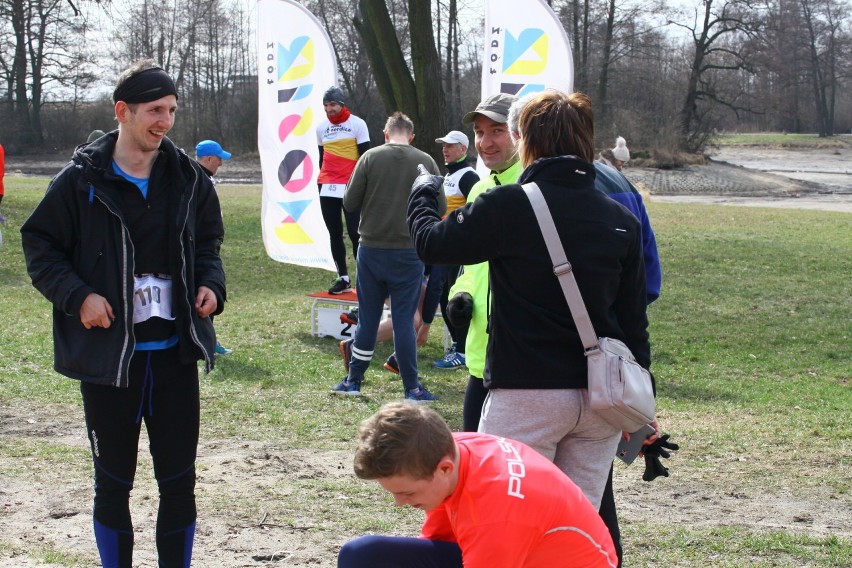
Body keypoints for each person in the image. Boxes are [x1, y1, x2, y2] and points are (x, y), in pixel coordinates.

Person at [20, 59, 226, 568]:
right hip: (112, 362)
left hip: (174, 359)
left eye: (172, 110)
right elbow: (40, 245)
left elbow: (209, 243)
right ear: (123, 111)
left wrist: (211, 284)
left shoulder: (189, 178)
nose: (165, 121)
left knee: (179, 483)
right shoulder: (80, 180)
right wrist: (78, 296)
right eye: (155, 110)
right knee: (113, 484)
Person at [408, 90, 652, 512]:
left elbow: (432, 244)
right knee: (574, 527)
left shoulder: (508, 205)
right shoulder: (621, 219)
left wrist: (422, 194)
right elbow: (633, 325)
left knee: (506, 517)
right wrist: (645, 408)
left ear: (527, 141)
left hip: (528, 392)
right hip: (600, 400)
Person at [337, 402, 618, 568]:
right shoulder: (448, 449)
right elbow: (439, 539)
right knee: (363, 556)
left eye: (407, 492)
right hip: (515, 554)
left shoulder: (496, 514)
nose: (399, 503)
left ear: (444, 468)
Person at [330, 112, 443, 401]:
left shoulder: (369, 158)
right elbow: (439, 204)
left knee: (368, 318)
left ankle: (353, 381)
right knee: (404, 321)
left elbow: (350, 201)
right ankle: (412, 388)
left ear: (385, 133)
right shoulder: (426, 161)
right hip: (409, 251)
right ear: (412, 135)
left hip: (371, 249)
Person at [444, 93, 524, 431]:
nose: (485, 142)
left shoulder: (532, 187)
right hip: (480, 356)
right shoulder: (479, 190)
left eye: (496, 131)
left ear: (520, 134)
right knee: (474, 462)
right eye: (479, 132)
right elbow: (470, 267)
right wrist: (460, 295)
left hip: (521, 364)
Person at [423, 131, 479, 369]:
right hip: (445, 246)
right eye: (443, 145)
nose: (445, 149)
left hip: (459, 249)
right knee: (444, 295)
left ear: (463, 149)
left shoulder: (468, 175)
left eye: (450, 146)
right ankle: (457, 345)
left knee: (455, 297)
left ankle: (463, 350)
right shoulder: (448, 175)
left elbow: (475, 211)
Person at [316, 86, 371, 294]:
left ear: (342, 104)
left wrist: (363, 184)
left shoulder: (357, 124)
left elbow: (366, 157)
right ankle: (343, 277)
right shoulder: (321, 128)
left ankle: (363, 279)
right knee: (334, 233)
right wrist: (321, 182)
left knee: (356, 233)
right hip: (327, 185)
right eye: (326, 105)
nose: (329, 109)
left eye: (333, 105)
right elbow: (322, 158)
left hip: (350, 185)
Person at [195, 138, 234, 356]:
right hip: (202, 248)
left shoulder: (203, 178)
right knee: (205, 292)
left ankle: (208, 340)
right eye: (219, 158)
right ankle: (207, 342)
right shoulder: (199, 180)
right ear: (209, 158)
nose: (221, 163)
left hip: (208, 245)